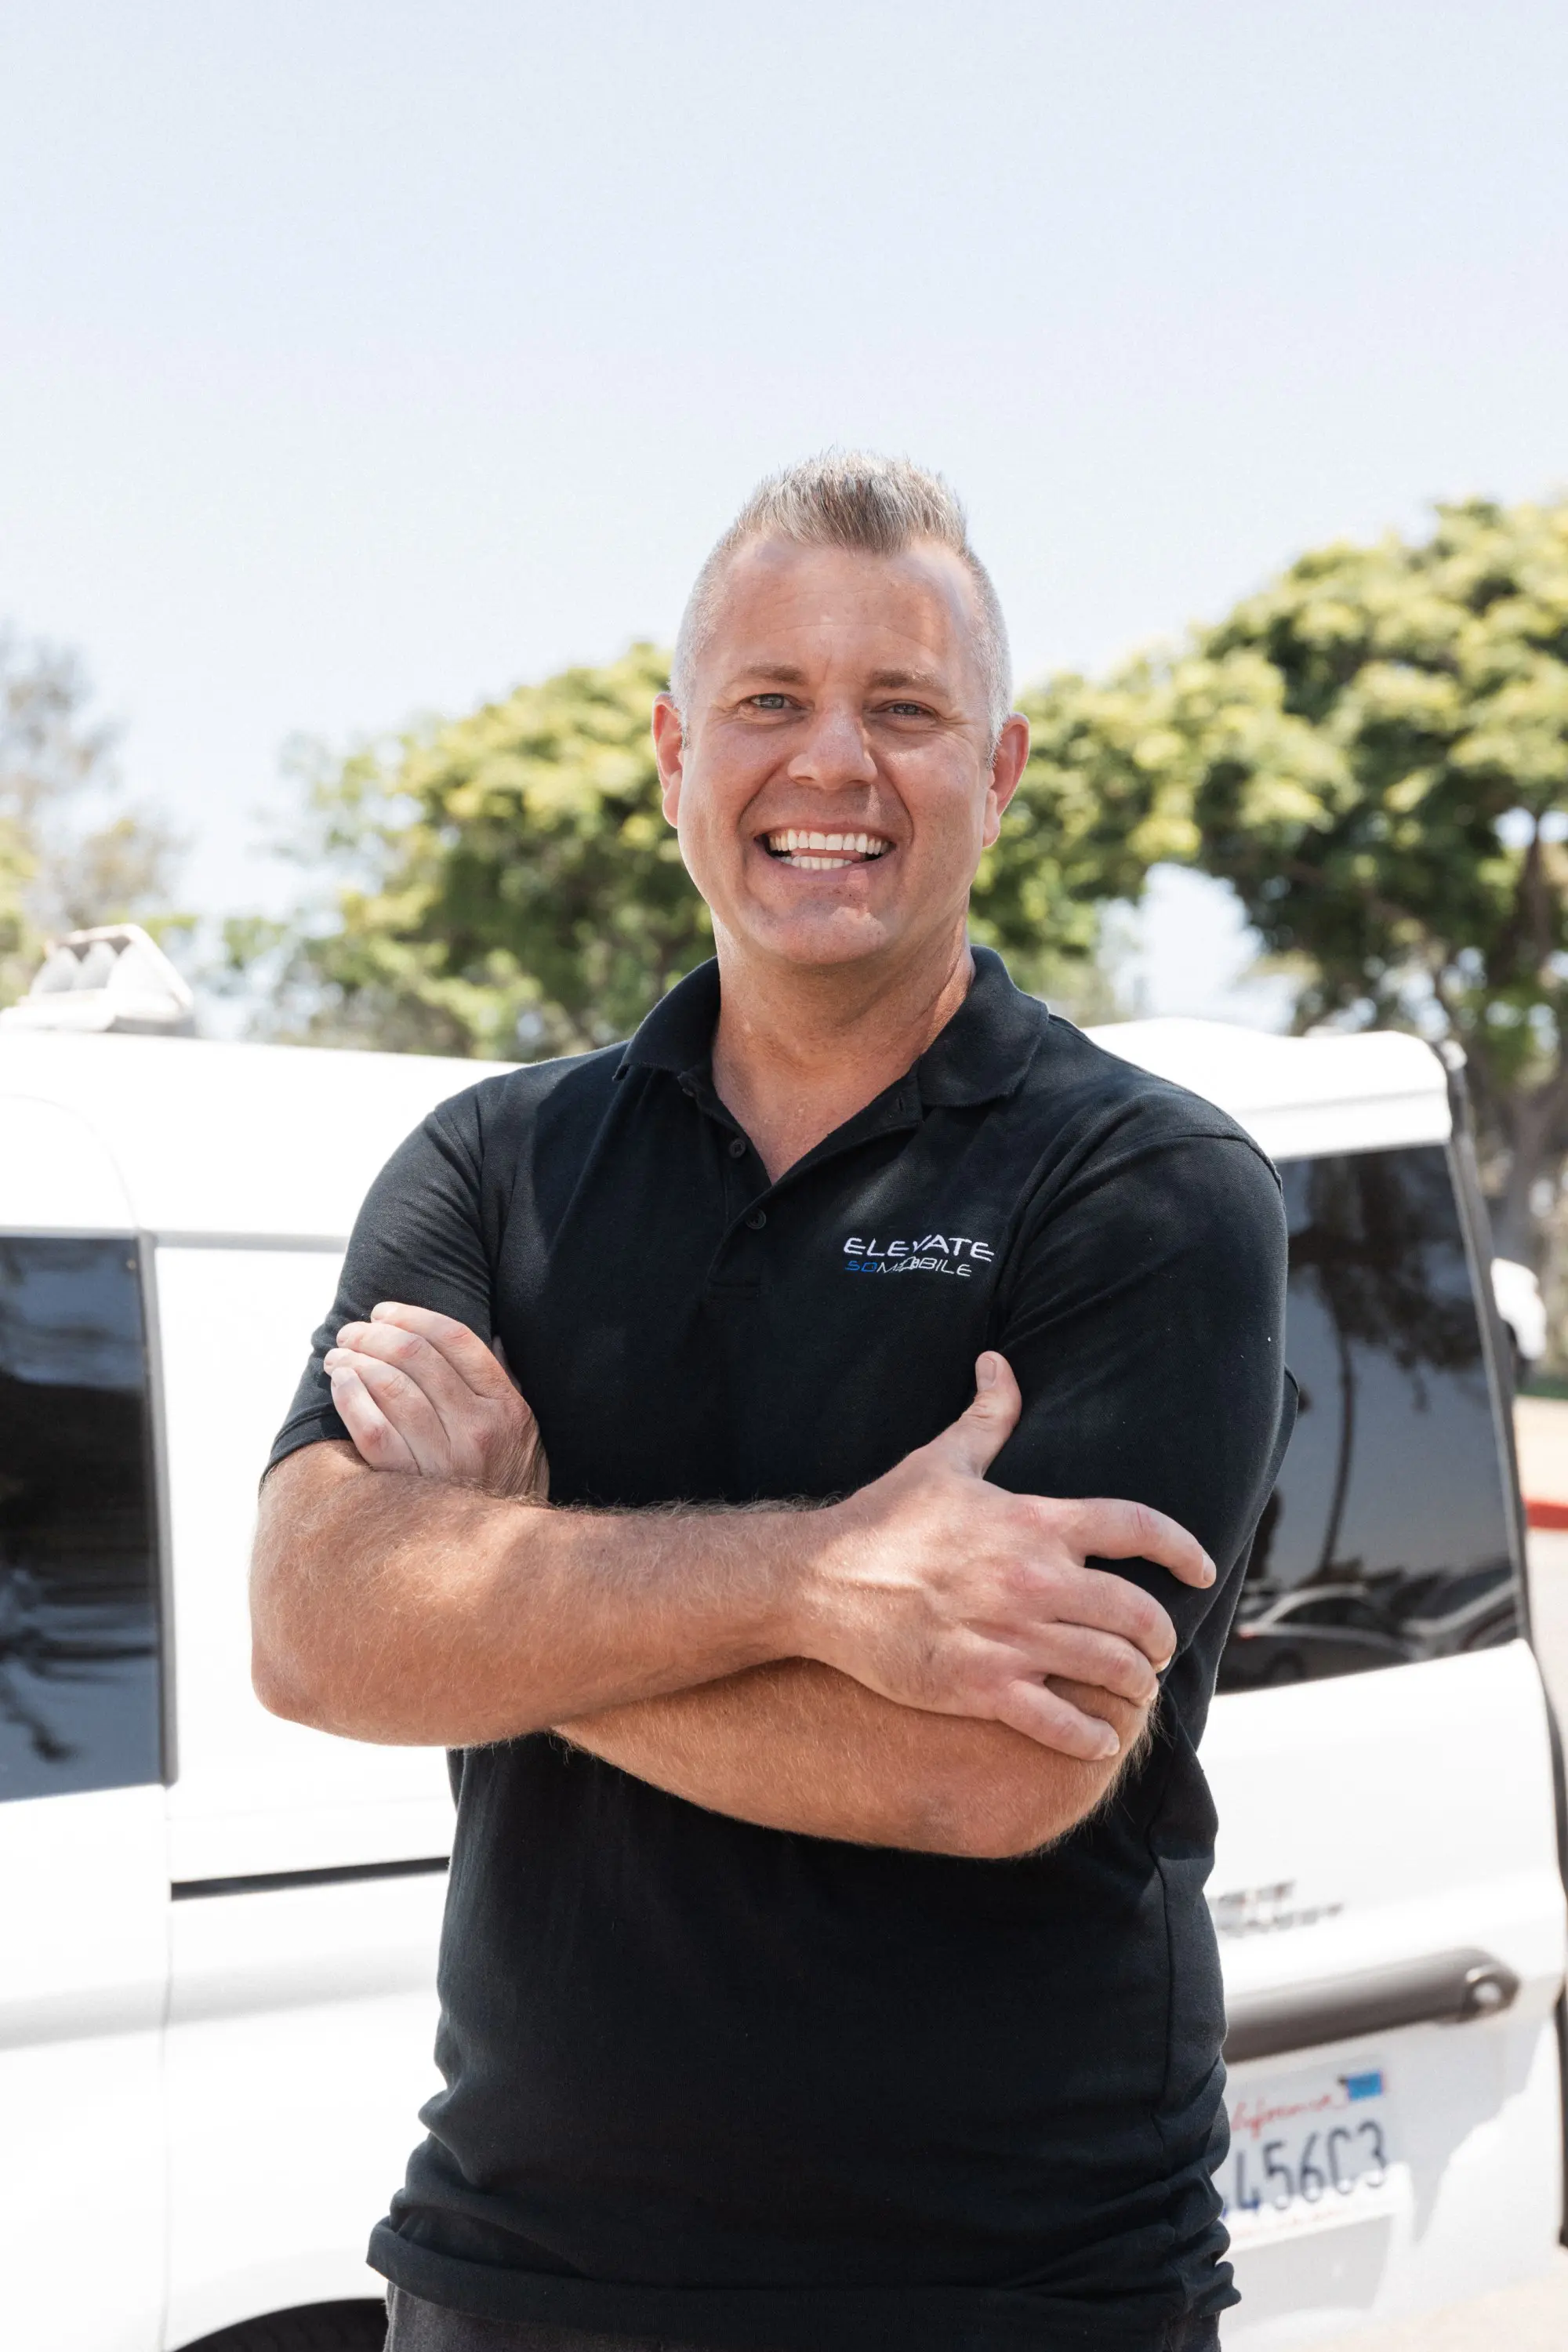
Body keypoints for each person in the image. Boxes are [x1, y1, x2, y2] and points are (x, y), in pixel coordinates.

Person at [252, 452, 1294, 2352]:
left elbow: (985, 1766)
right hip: (516, 2278)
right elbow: (316, 1632)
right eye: (767, 703)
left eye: (904, 710)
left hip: (1011, 2289)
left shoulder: (1146, 1187)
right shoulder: (491, 1166)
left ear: (1000, 773)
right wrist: (823, 1585)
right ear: (672, 755)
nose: (832, 766)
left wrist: (497, 1590)